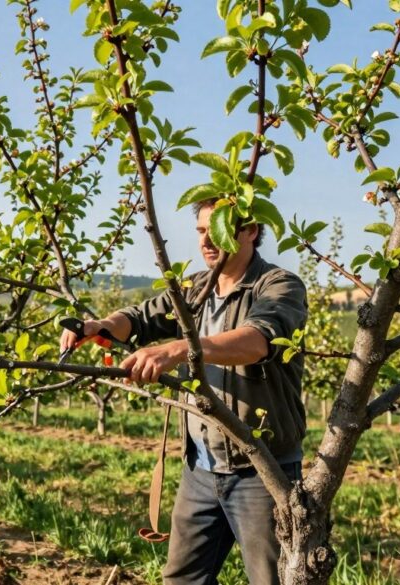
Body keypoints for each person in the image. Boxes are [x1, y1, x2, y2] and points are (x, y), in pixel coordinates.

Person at [59, 199, 308, 584]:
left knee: (270, 579)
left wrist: (180, 349)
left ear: (251, 232)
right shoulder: (193, 290)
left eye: (217, 230)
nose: (207, 241)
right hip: (201, 469)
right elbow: (141, 317)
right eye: (200, 231)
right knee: (182, 579)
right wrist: (100, 326)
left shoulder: (278, 285)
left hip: (262, 467)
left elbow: (258, 340)